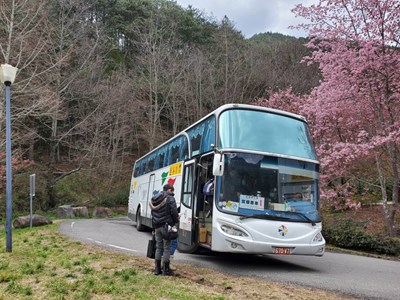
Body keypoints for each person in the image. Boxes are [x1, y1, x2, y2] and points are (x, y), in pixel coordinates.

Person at [149, 184, 179, 276]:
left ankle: (157, 270)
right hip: (166, 226)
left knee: (158, 247)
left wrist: (154, 226)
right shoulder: (170, 198)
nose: (173, 193)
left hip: (157, 226)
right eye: (172, 191)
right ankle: (165, 270)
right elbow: (174, 211)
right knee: (167, 247)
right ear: (169, 190)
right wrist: (176, 221)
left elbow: (153, 214)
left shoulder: (154, 198)